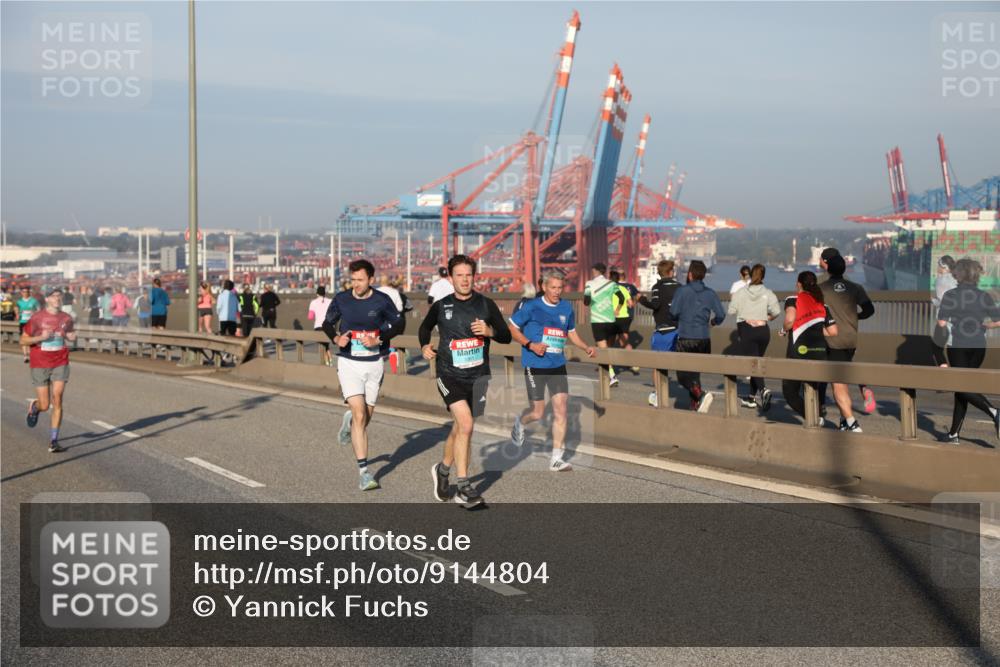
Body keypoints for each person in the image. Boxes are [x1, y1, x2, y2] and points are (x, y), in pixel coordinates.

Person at [419, 255, 511, 509]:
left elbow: (505, 336)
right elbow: (424, 328)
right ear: (451, 278)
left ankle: (442, 470)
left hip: (478, 376)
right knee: (467, 425)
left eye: (468, 275)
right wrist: (424, 345)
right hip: (449, 374)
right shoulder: (441, 306)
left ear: (474, 277)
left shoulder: (486, 304)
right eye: (459, 275)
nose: (464, 280)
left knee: (461, 428)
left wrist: (490, 331)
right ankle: (463, 487)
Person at [322, 260, 403, 491]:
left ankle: (349, 423)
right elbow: (327, 323)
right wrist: (336, 338)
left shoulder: (382, 300)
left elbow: (399, 325)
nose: (355, 284)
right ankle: (364, 473)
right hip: (349, 363)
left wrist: (379, 339)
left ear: (371, 280)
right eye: (353, 280)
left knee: (365, 418)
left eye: (360, 280)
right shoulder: (342, 299)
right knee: (359, 414)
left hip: (374, 363)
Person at [509, 271, 596, 471]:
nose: (557, 292)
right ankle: (520, 423)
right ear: (544, 287)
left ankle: (556, 459)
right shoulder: (531, 306)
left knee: (561, 409)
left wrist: (586, 347)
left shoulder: (566, 307)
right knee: (538, 413)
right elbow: (512, 328)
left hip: (557, 365)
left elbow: (571, 332)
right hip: (535, 365)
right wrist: (530, 345)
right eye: (553, 287)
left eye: (560, 288)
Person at [936, 258, 1000, 444]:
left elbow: (941, 323)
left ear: (958, 274)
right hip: (979, 346)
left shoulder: (951, 295)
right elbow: (998, 321)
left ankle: (994, 412)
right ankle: (953, 434)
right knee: (963, 388)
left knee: (961, 385)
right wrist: (984, 325)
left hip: (958, 345)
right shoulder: (984, 296)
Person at [820, 253, 876, 432]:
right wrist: (854, 317)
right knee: (842, 381)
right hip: (850, 339)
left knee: (838, 384)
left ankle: (852, 422)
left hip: (831, 340)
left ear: (828, 268)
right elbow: (869, 310)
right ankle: (844, 421)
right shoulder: (855, 287)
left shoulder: (821, 289)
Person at [21, 288, 77, 453]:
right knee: (45, 405)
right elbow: (23, 341)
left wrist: (71, 336)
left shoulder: (66, 318)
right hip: (40, 362)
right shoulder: (37, 318)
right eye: (54, 296)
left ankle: (53, 441)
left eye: (60, 296)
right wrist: (41, 337)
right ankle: (36, 407)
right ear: (47, 299)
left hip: (60, 361)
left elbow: (70, 334)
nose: (58, 298)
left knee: (57, 398)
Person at [781, 271, 838, 424]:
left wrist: (784, 329)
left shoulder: (793, 299)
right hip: (819, 352)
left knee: (789, 391)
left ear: (799, 284)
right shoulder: (822, 305)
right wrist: (817, 330)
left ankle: (814, 417)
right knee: (812, 388)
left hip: (798, 353)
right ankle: (817, 415)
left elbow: (789, 320)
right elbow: (833, 331)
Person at [670, 260, 726, 412]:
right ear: (703, 275)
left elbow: (673, 313)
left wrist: (679, 318)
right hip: (703, 339)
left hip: (686, 337)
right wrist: (713, 322)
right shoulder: (710, 293)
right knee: (695, 373)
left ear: (689, 274)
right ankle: (695, 404)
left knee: (682, 375)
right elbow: (721, 315)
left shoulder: (682, 291)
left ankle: (700, 395)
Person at [727, 263, 780, 411]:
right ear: (763, 276)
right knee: (757, 362)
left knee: (754, 364)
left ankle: (763, 390)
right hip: (763, 331)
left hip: (747, 330)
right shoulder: (768, 292)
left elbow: (731, 311)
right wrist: (765, 318)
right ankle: (751, 398)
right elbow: (776, 311)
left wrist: (745, 312)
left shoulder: (741, 292)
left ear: (750, 275)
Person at [639, 259, 681, 407]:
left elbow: (655, 305)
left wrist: (642, 300)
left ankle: (658, 395)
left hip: (663, 331)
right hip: (678, 330)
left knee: (657, 365)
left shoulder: (657, 287)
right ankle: (695, 394)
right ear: (671, 272)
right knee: (682, 363)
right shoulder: (680, 287)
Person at [583, 263, 620, 387]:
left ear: (595, 271)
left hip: (597, 321)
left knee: (603, 350)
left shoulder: (589, 283)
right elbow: (621, 298)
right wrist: (617, 309)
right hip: (611, 320)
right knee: (607, 349)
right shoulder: (611, 284)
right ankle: (606, 372)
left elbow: (586, 302)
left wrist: (591, 299)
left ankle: (612, 376)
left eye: (592, 270)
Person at [610, 270, 640, 374]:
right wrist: (632, 304)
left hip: (612, 317)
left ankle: (609, 367)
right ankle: (633, 363)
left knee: (608, 342)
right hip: (626, 317)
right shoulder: (627, 287)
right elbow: (632, 302)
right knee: (624, 341)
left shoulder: (609, 288)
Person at [307, 285, 333, 365]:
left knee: (323, 345)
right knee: (326, 344)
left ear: (317, 294)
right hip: (329, 326)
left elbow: (310, 317)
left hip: (318, 326)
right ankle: (330, 359)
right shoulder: (330, 301)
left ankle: (327, 361)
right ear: (324, 293)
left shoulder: (313, 302)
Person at [16, 286, 41, 363]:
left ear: (29, 292)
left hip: (32, 322)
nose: (25, 293)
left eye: (27, 292)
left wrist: (34, 313)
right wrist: (18, 314)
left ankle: (31, 355)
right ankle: (25, 356)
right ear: (21, 293)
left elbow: (39, 310)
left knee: (30, 339)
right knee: (24, 339)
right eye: (24, 292)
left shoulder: (34, 301)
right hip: (22, 322)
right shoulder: (19, 302)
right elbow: (16, 311)